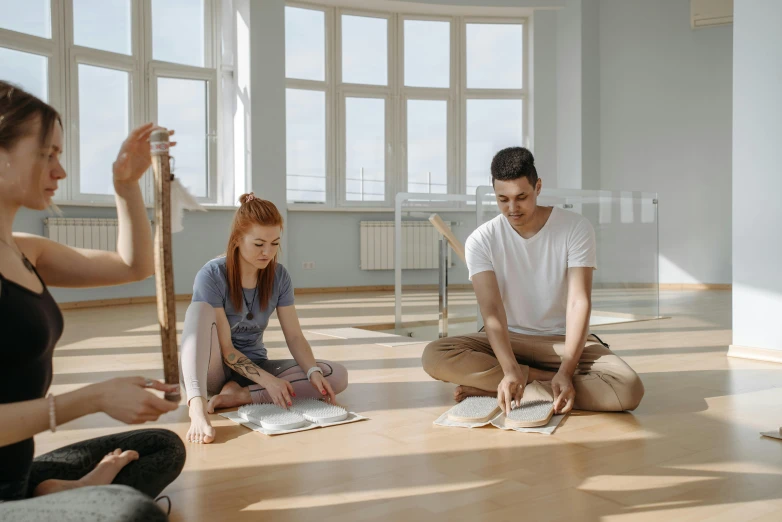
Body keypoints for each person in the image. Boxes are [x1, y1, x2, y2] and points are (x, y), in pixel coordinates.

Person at [0, 81, 185, 521]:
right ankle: (48, 497)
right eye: (47, 155)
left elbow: (133, 266)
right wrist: (91, 398)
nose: (59, 172)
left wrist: (126, 186)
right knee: (130, 513)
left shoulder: (24, 250)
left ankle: (43, 491)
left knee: (160, 448)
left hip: (14, 470)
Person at [422, 147, 644, 415]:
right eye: (502, 199)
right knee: (434, 355)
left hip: (563, 342)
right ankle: (531, 382)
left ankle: (506, 385)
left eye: (521, 197)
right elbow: (491, 311)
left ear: (538, 187)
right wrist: (509, 368)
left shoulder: (575, 228)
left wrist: (565, 369)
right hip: (509, 339)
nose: (512, 209)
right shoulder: (481, 240)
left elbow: (578, 302)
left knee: (628, 389)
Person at [181, 194, 348, 444]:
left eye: (274, 243)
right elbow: (226, 349)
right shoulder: (212, 275)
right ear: (237, 239)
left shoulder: (279, 276)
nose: (267, 252)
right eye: (259, 244)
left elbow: (294, 335)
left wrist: (312, 371)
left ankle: (241, 395)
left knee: (334, 374)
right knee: (198, 310)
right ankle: (197, 405)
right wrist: (269, 381)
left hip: (252, 368)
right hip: (211, 369)